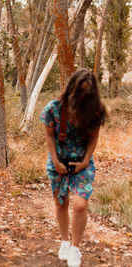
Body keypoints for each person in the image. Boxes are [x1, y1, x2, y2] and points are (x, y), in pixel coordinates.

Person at [40, 69, 107, 267]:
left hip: (82, 164)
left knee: (80, 205)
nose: (83, 97)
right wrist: (56, 161)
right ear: (71, 89)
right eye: (80, 92)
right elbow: (50, 136)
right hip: (58, 163)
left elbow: (94, 138)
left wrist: (85, 162)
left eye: (87, 94)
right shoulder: (53, 108)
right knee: (61, 203)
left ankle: (75, 248)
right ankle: (64, 242)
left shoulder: (96, 111)